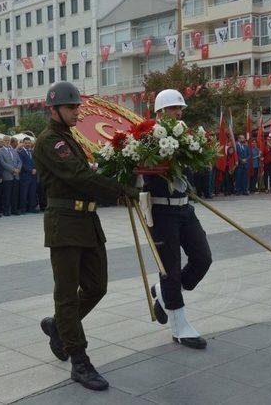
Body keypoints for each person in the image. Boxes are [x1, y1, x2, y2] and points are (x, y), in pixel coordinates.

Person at [34, 82, 139, 391]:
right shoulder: (50, 141)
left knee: (96, 286)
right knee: (66, 295)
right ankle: (79, 361)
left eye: (78, 106)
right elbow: (79, 177)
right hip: (65, 225)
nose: (77, 111)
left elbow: (90, 171)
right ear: (53, 110)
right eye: (71, 107)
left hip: (87, 221)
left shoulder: (70, 138)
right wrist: (123, 191)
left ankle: (58, 326)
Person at [144, 89, 212, 353]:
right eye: (174, 108)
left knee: (203, 258)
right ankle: (179, 328)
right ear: (160, 113)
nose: (179, 113)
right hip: (162, 213)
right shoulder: (147, 140)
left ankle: (164, 292)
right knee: (169, 269)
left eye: (180, 108)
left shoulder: (185, 137)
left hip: (184, 208)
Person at [0, 135, 22, 216]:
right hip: (7, 175)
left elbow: (19, 161)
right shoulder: (0, 151)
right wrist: (13, 169)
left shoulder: (14, 150)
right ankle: (6, 210)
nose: (7, 142)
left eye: (8, 140)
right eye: (5, 140)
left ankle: (14, 210)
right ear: (2, 141)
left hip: (16, 175)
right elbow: (2, 163)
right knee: (7, 194)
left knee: (15, 194)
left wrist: (18, 169)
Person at [18, 137, 38, 213]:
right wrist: (31, 170)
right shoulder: (20, 153)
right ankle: (23, 209)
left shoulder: (33, 152)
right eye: (26, 143)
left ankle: (31, 208)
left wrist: (36, 169)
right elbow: (21, 164)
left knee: (32, 193)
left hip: (33, 176)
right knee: (24, 193)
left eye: (29, 143)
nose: (27, 144)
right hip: (25, 176)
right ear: (23, 143)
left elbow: (36, 162)